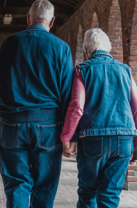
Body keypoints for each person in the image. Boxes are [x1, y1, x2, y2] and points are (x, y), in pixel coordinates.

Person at [0, 0, 73, 208]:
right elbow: (68, 95)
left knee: (16, 184)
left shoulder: (10, 43)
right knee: (45, 185)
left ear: (28, 18)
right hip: (48, 126)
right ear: (52, 21)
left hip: (10, 124)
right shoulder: (61, 48)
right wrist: (68, 134)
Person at [61, 28, 137, 208]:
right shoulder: (125, 70)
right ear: (108, 48)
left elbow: (76, 106)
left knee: (88, 193)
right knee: (110, 194)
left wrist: (67, 137)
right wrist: (135, 140)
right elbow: (136, 108)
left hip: (93, 139)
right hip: (123, 139)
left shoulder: (82, 70)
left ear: (86, 51)